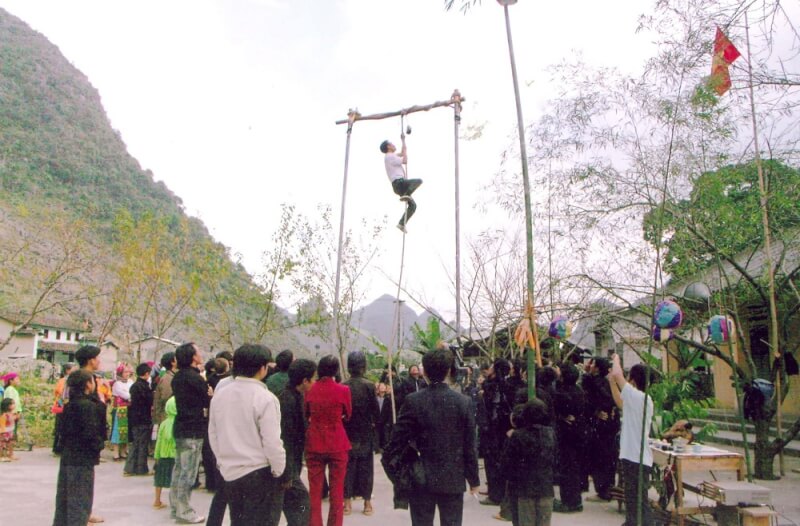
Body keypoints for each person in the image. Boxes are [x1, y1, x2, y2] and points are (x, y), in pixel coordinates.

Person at [385, 347, 480, 526]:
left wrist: (399, 475)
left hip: (421, 478)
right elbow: (470, 446)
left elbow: (395, 442)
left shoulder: (413, 401)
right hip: (452, 478)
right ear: (449, 371)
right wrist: (473, 479)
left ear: (425, 372)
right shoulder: (463, 402)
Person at [208, 343, 286, 526]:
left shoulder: (220, 394)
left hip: (230, 473)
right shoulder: (265, 398)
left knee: (238, 520)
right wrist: (278, 469)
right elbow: (272, 441)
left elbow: (213, 433)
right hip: (258, 473)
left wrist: (222, 461)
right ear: (262, 368)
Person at [52, 369, 106, 526]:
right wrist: (98, 446)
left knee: (65, 500)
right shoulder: (88, 407)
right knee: (80, 502)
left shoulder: (69, 406)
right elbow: (93, 434)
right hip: (82, 459)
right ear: (88, 385)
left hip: (68, 457)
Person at [305, 355, 352, 526]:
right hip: (337, 442)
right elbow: (348, 414)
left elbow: (307, 414)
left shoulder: (310, 389)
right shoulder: (343, 390)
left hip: (314, 442)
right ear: (336, 370)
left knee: (315, 492)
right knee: (337, 491)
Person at [608, 353, 654, 526]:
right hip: (631, 456)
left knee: (639, 502)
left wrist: (617, 358)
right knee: (633, 500)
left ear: (633, 381)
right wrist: (612, 383)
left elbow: (618, 375)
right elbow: (620, 403)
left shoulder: (640, 398)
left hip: (637, 457)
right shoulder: (635, 399)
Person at [170, 342, 211, 524]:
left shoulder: (177, 377)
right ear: (193, 357)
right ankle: (184, 510)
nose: (200, 354)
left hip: (181, 427)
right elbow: (207, 398)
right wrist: (209, 393)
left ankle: (176, 506)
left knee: (179, 469)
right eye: (198, 351)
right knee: (188, 472)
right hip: (193, 429)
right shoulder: (195, 378)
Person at [500, 398, 555, 526]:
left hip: (524, 488)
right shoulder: (550, 433)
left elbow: (506, 465)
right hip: (545, 487)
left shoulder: (517, 435)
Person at [278, 358, 316, 526]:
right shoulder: (287, 400)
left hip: (292, 464)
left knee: (295, 510)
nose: (315, 382)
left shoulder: (297, 396)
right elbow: (284, 438)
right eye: (313, 379)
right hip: (286, 466)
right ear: (304, 381)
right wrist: (287, 473)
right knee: (302, 506)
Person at [73, 345, 108, 525]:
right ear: (90, 360)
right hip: (83, 438)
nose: (99, 360)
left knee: (88, 479)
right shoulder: (80, 379)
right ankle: (81, 514)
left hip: (91, 435)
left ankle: (87, 511)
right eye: (97, 357)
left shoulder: (92, 378)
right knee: (80, 481)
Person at [343, 351, 380, 516]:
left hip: (347, 433)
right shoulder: (370, 386)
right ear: (364, 367)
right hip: (365, 433)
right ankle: (367, 503)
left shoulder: (343, 386)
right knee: (366, 469)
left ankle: (347, 504)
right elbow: (376, 412)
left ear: (349, 367)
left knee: (348, 468)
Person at [582, 356, 618, 502]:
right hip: (611, 423)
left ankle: (603, 491)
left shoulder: (593, 381)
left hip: (600, 424)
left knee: (599, 458)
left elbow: (588, 400)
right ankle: (609, 489)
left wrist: (596, 411)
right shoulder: (610, 382)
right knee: (609, 458)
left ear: (596, 368)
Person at [552, 364, 586, 513]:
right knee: (574, 467)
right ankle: (575, 501)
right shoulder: (579, 391)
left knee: (567, 468)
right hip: (578, 434)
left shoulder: (562, 393)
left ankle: (569, 502)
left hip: (567, 435)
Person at [380, 136, 422, 233]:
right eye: (392, 144)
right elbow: (405, 160)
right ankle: (406, 194)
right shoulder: (389, 156)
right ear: (388, 146)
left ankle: (401, 223)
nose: (394, 145)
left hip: (399, 186)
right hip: (399, 183)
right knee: (418, 181)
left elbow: (403, 153)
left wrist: (403, 141)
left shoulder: (391, 156)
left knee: (413, 206)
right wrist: (405, 153)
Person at [125, 363, 153, 476]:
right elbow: (149, 401)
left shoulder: (134, 386)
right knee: (141, 444)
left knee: (136, 443)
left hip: (134, 418)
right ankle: (138, 468)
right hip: (143, 418)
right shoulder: (144, 387)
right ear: (146, 374)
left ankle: (133, 468)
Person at [153, 396, 177, 510]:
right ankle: (175, 503)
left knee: (159, 479)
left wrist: (156, 456)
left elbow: (159, 441)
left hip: (162, 455)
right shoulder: (178, 424)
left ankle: (157, 500)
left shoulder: (163, 423)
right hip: (174, 456)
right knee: (175, 480)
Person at [52, 362, 78, 454]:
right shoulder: (63, 381)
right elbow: (59, 392)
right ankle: (58, 448)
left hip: (67, 405)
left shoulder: (72, 380)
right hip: (62, 405)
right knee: (60, 427)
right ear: (67, 370)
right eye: (73, 368)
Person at [111, 363, 133, 461]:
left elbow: (132, 393)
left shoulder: (131, 382)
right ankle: (116, 452)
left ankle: (123, 451)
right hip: (120, 409)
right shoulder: (117, 384)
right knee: (118, 430)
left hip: (129, 409)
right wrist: (130, 397)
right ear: (120, 373)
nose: (127, 374)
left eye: (128, 372)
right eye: (125, 372)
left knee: (126, 430)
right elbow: (125, 395)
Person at [153, 352, 177, 426]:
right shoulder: (167, 378)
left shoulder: (172, 376)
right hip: (166, 417)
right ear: (172, 362)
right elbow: (166, 398)